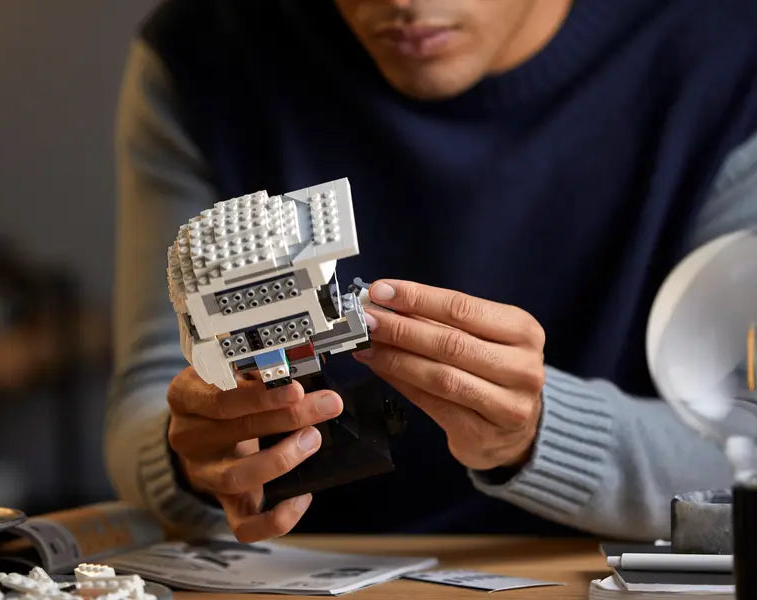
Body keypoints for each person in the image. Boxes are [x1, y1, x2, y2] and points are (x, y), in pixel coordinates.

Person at [107, 0, 757, 543]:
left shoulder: (730, 60)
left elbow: (744, 447)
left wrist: (543, 433)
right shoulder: (203, 54)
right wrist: (193, 456)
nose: (402, 2)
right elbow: (153, 392)